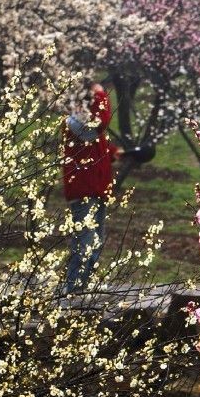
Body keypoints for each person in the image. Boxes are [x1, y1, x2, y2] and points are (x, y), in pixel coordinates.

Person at [62, 79, 122, 294]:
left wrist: (114, 152)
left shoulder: (86, 127)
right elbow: (99, 125)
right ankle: (73, 290)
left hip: (96, 190)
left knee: (94, 245)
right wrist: (101, 95)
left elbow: (99, 143)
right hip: (84, 192)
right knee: (85, 244)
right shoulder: (76, 123)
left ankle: (82, 289)